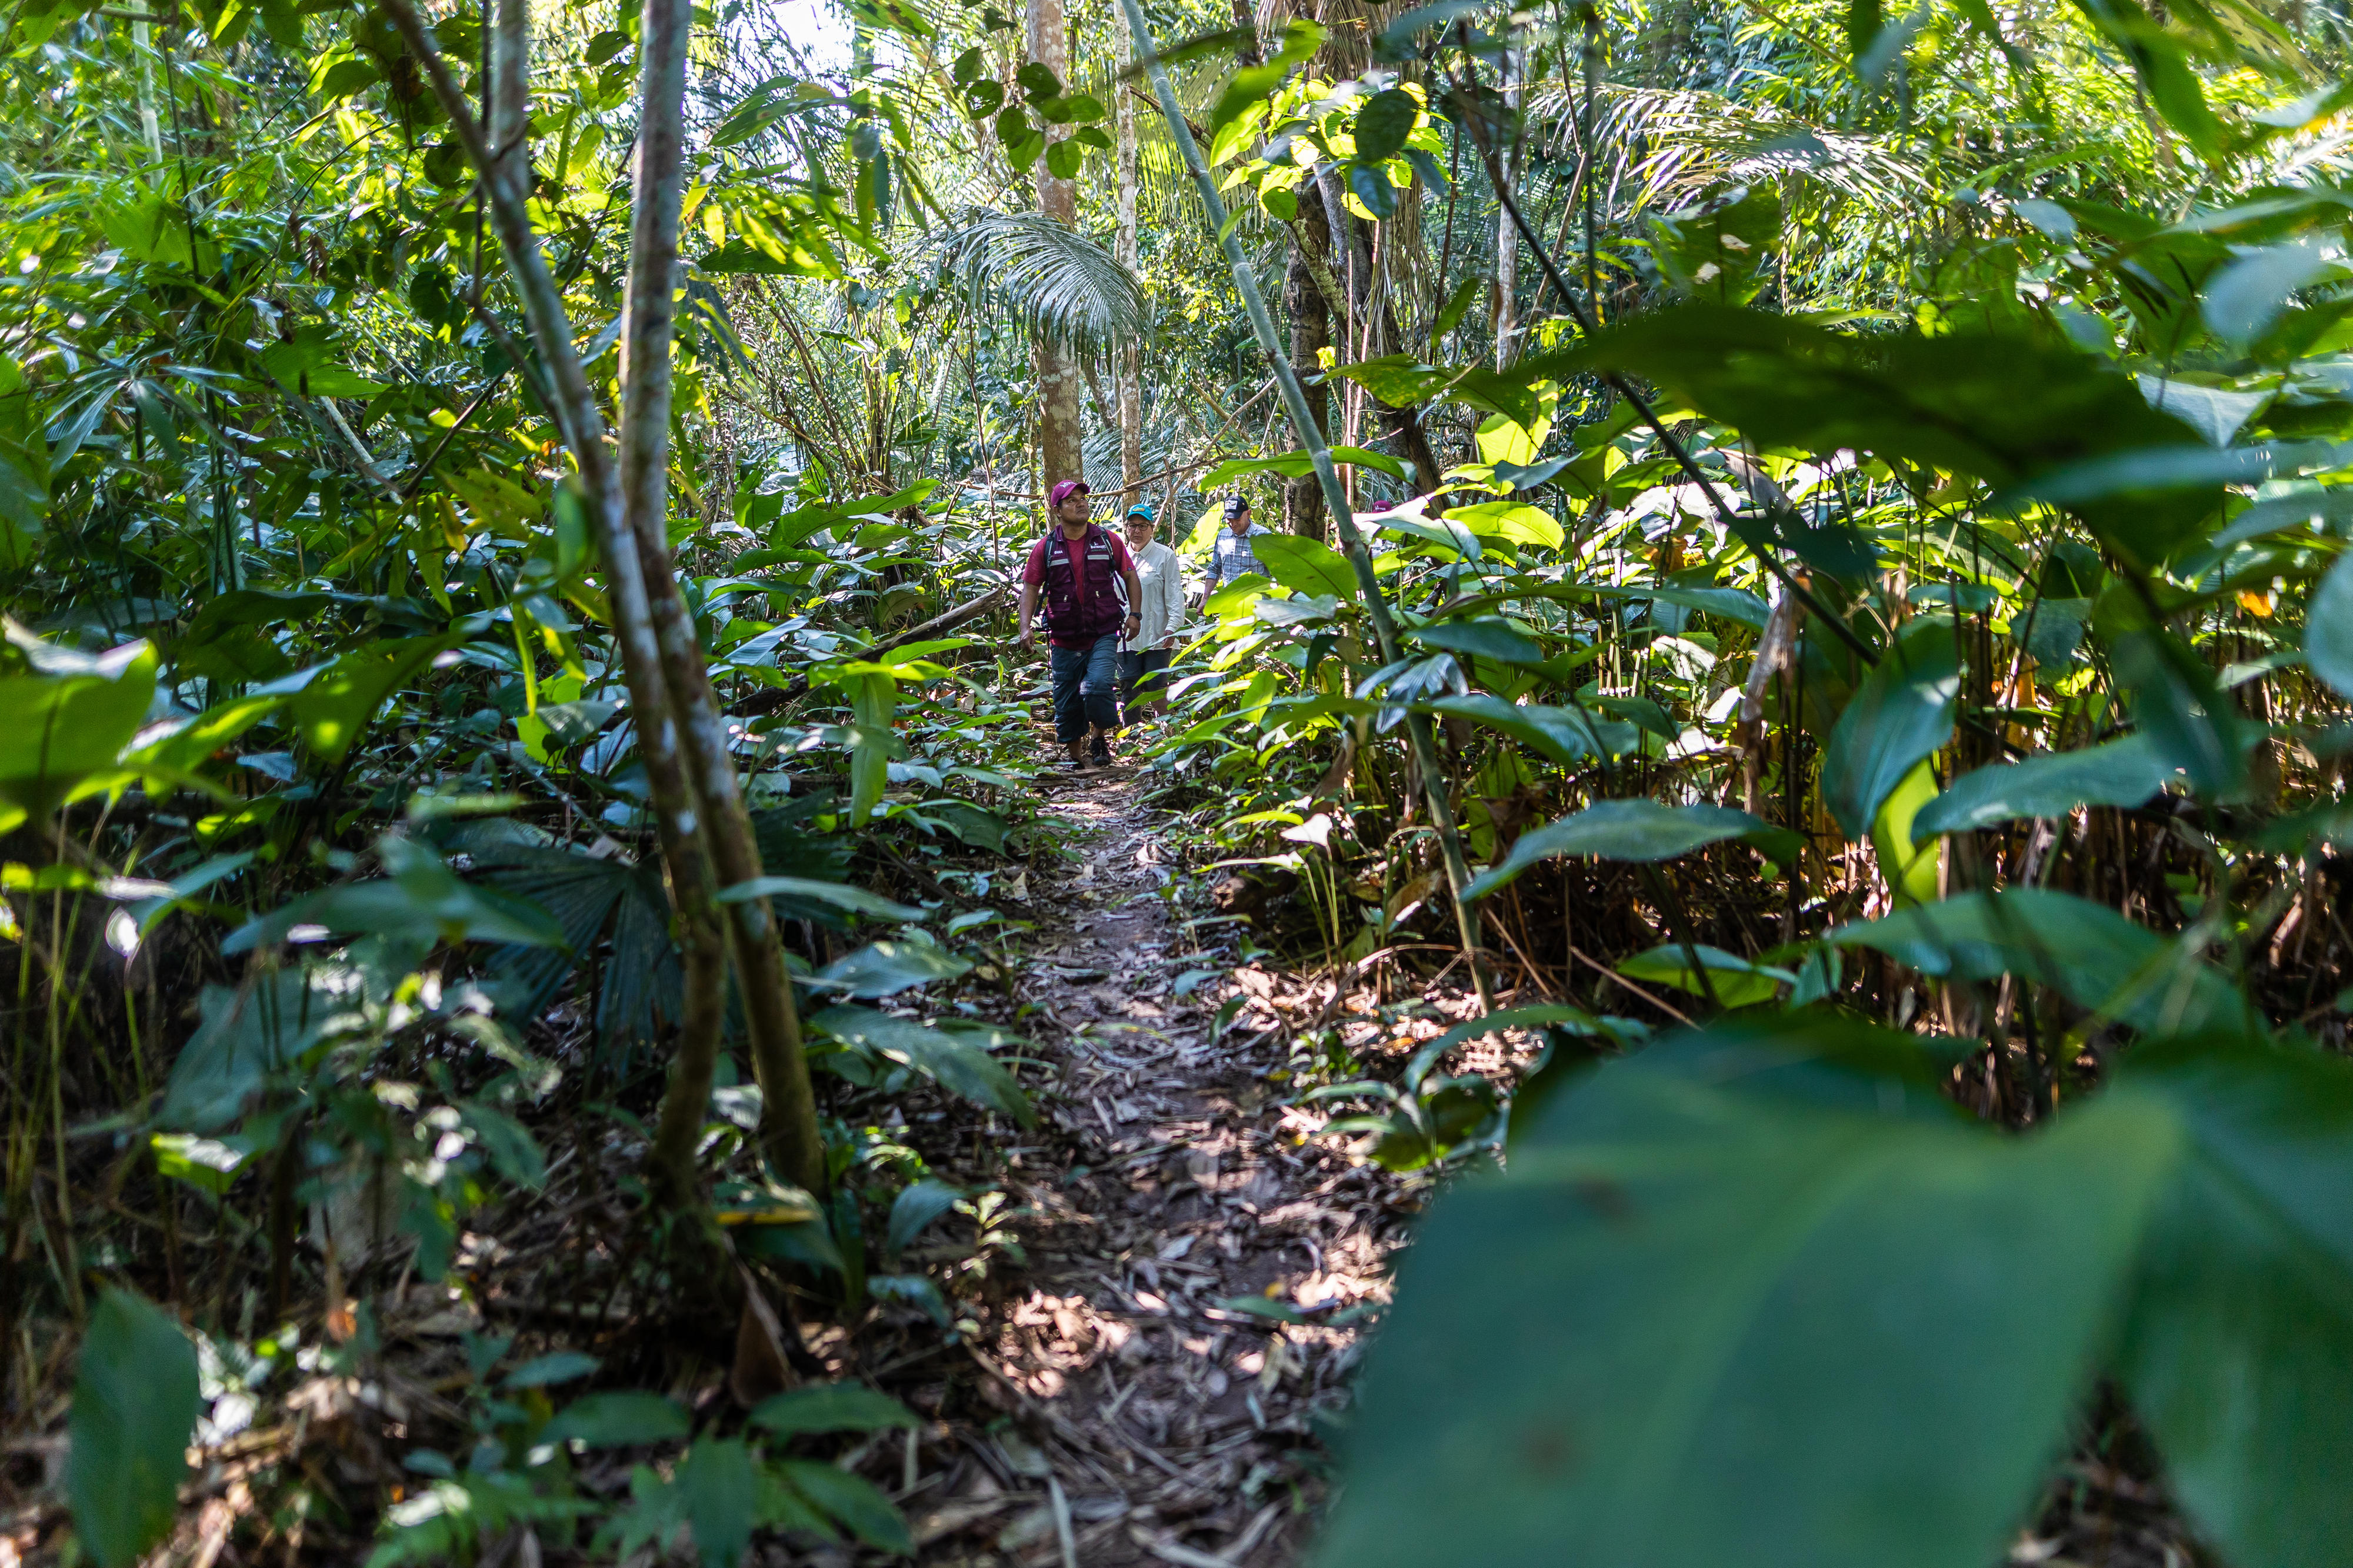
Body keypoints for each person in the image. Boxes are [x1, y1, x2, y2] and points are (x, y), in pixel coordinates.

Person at [1018, 479, 1144, 770]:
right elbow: (1030, 588)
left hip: (1103, 632)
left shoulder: (1108, 540)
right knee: (1068, 700)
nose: (1080, 503)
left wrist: (1135, 615)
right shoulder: (1046, 549)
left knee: (1098, 685)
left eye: (1082, 498)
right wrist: (1025, 627)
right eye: (1071, 500)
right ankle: (1076, 758)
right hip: (1063, 637)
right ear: (1058, 511)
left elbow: (1130, 576)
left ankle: (1099, 738)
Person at [1117, 501, 1184, 725]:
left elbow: (1175, 595)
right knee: (1129, 686)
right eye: (1133, 526)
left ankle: (1168, 734)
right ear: (1127, 528)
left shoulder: (1165, 556)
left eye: (1143, 526)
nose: (1137, 531)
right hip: (1126, 639)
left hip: (1157, 636)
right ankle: (1131, 737)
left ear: (1152, 528)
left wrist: (1172, 627)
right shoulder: (1121, 558)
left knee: (1156, 688)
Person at [1198, 493, 1271, 600]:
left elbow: (1279, 572)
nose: (1232, 523)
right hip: (1230, 605)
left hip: (1257, 606)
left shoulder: (1263, 537)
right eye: (1229, 519)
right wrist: (1205, 599)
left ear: (1248, 514)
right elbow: (1215, 569)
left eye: (1236, 519)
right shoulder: (1223, 536)